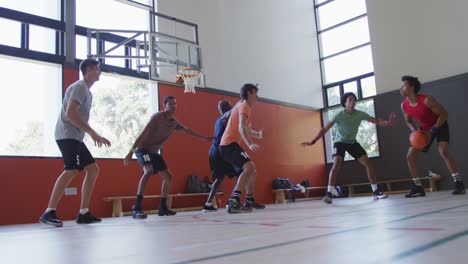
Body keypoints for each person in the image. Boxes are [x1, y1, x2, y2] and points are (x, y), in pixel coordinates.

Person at [39, 58, 111, 227]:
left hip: (75, 136)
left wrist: (93, 134)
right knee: (71, 169)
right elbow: (70, 115)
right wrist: (93, 133)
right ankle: (49, 212)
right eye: (97, 68)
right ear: (88, 70)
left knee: (92, 169)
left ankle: (84, 212)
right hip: (67, 134)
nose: (99, 71)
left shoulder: (87, 92)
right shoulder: (80, 87)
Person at [123, 95, 212, 219]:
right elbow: (143, 134)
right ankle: (136, 207)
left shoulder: (173, 123)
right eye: (170, 104)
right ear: (164, 106)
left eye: (175, 103)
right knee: (148, 171)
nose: (173, 106)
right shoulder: (157, 118)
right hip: (143, 149)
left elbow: (187, 130)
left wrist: (204, 138)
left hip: (154, 152)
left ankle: (162, 208)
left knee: (168, 177)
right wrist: (131, 152)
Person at [301, 92, 396, 204]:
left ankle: (376, 191)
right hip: (340, 142)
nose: (353, 101)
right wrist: (314, 140)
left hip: (352, 143)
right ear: (345, 103)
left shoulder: (360, 114)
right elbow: (325, 128)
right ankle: (329, 193)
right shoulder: (339, 115)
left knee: (368, 163)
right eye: (350, 99)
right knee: (337, 164)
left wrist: (388, 123)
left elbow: (376, 120)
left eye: (354, 99)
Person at [400, 75, 465, 197]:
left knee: (443, 151)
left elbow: (444, 114)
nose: (401, 88)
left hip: (439, 125)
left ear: (412, 87)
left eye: (404, 85)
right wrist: (414, 131)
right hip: (423, 129)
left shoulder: (427, 100)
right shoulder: (404, 105)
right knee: (410, 155)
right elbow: (408, 121)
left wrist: (433, 130)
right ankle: (418, 186)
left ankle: (458, 183)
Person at [220, 83, 265, 214]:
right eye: (255, 93)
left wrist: (258, 135)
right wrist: (250, 143)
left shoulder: (243, 106)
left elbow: (247, 129)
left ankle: (249, 200)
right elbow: (241, 128)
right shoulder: (244, 106)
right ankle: (234, 201)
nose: (257, 96)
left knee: (252, 170)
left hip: (229, 145)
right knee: (249, 167)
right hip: (229, 144)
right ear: (250, 93)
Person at [202, 100, 239, 212]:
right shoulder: (224, 117)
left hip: (213, 151)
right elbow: (233, 111)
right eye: (229, 104)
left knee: (219, 179)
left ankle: (208, 204)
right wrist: (243, 100)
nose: (231, 105)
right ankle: (232, 201)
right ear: (225, 107)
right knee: (241, 172)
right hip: (220, 152)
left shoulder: (218, 120)